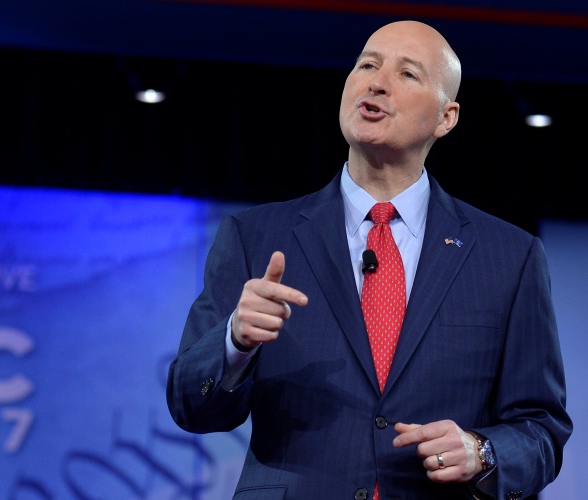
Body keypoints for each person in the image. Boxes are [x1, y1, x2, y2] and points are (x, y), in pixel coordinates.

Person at [166, 20, 572, 499]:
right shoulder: (255, 237)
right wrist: (234, 341)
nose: (376, 82)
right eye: (367, 65)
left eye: (407, 74)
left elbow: (541, 431)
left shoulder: (510, 256)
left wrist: (482, 450)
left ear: (447, 117)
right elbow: (190, 405)